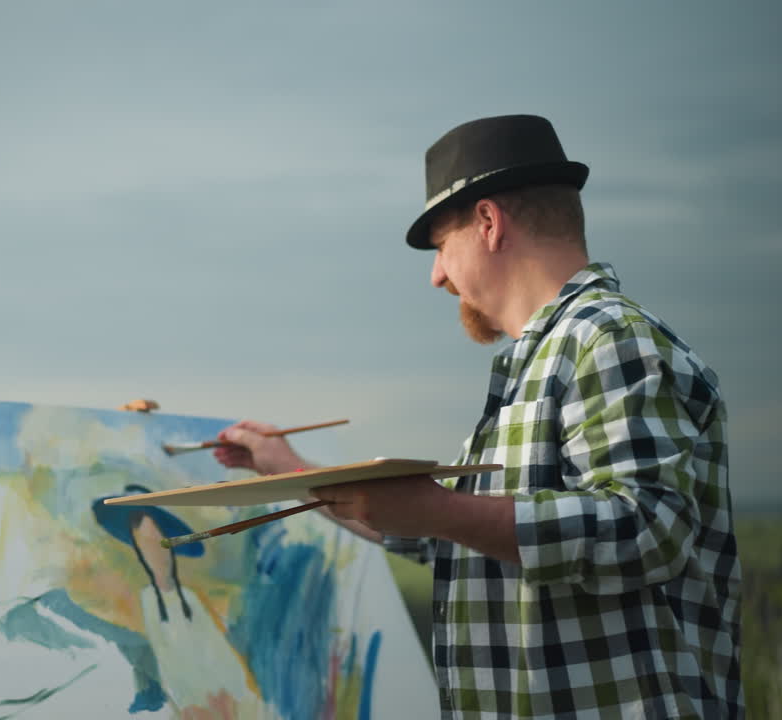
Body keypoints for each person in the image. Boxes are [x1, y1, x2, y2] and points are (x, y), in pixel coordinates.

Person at [214, 115, 742, 719]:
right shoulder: (538, 362)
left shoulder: (609, 336)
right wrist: (295, 470)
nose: (437, 275)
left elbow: (649, 529)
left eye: (441, 247)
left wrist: (440, 508)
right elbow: (457, 539)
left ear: (488, 223)